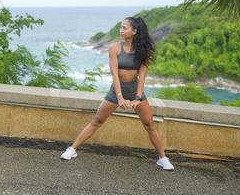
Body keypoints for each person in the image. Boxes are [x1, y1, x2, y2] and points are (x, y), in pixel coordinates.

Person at [61, 17, 174, 171]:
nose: (121, 30)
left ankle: (162, 158)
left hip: (135, 91)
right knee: (97, 121)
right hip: (116, 91)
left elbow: (142, 77)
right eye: (121, 27)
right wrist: (119, 97)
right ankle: (72, 149)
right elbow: (114, 74)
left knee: (150, 125)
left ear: (134, 31)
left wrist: (137, 98)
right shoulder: (114, 47)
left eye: (124, 28)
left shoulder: (144, 51)